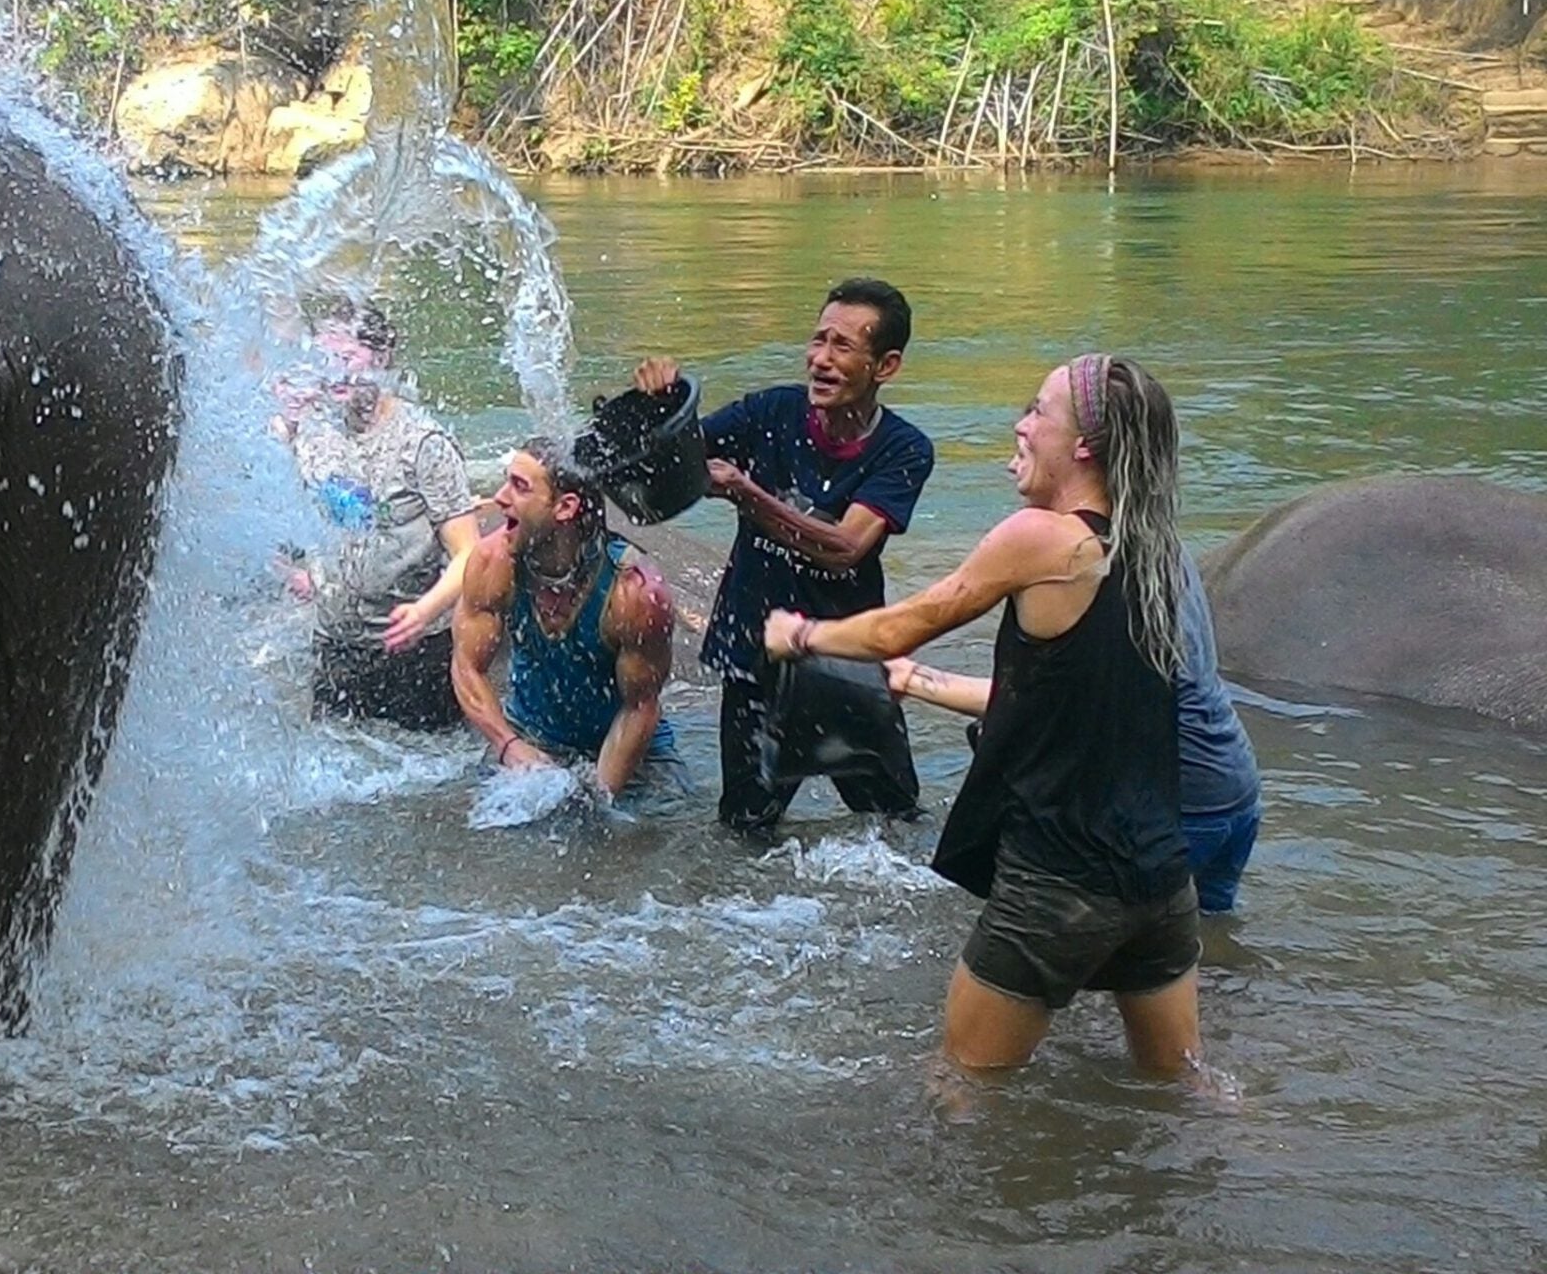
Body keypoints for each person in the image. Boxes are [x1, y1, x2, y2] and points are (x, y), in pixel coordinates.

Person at [759, 354, 1202, 1077]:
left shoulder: (1043, 538)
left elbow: (900, 624)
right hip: (1159, 880)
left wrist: (801, 635)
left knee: (962, 1088)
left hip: (1058, 882)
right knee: (1183, 1087)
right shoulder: (1149, 550)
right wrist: (923, 683)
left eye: (1037, 411)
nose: (1021, 426)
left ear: (1084, 445)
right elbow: (1065, 703)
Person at [640, 277, 936, 834]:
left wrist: (748, 494)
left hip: (846, 664)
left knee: (897, 830)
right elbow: (671, 464)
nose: (820, 359)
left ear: (886, 366)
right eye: (818, 339)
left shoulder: (904, 448)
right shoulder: (770, 412)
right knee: (744, 831)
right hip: (752, 654)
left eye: (843, 347)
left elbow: (846, 549)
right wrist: (665, 405)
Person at [884, 557, 1263, 915]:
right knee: (1205, 942)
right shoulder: (1160, 545)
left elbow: (1049, 703)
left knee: (1093, 954)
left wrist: (912, 678)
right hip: (1234, 782)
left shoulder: (1094, 569)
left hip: (1175, 805)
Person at [449, 438, 699, 807]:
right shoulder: (492, 562)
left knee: (648, 837)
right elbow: (466, 667)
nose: (499, 497)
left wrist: (598, 800)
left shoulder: (635, 591)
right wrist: (510, 746)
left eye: (519, 486)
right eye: (506, 481)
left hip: (632, 753)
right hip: (529, 736)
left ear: (565, 507)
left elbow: (640, 708)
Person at [279, 309, 482, 729]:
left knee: (430, 780)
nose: (333, 373)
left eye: (346, 358)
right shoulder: (314, 434)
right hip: (335, 645)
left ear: (382, 357)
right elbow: (274, 510)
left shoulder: (424, 442)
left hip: (414, 647)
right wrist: (301, 569)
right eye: (324, 360)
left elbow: (469, 553)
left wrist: (424, 611)